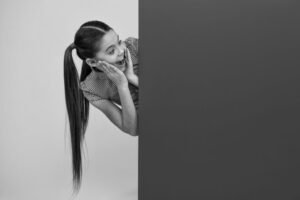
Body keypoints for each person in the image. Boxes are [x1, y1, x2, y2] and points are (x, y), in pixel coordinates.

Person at [63, 20, 139, 194]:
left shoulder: (134, 47)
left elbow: (172, 91)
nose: (121, 51)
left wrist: (133, 78)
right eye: (111, 51)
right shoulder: (91, 88)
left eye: (118, 41)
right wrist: (122, 86)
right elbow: (133, 129)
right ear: (93, 62)